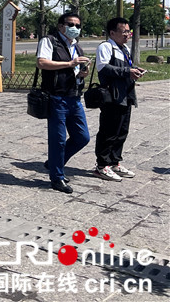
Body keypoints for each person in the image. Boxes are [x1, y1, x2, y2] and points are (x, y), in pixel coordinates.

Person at [36, 11, 91, 194]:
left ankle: (53, 163)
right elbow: (42, 63)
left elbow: (76, 70)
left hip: (74, 97)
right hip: (56, 97)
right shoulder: (49, 41)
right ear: (61, 26)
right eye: (70, 24)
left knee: (82, 137)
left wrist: (82, 72)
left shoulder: (77, 46)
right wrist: (70, 63)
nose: (74, 28)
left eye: (77, 25)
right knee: (58, 140)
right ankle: (57, 177)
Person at [92, 17, 144, 182]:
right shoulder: (106, 47)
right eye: (124, 32)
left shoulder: (124, 48)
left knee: (122, 131)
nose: (127, 35)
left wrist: (134, 70)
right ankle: (102, 165)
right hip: (112, 96)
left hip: (126, 95)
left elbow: (125, 68)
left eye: (129, 31)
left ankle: (115, 162)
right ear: (112, 32)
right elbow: (103, 67)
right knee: (109, 131)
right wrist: (127, 72)